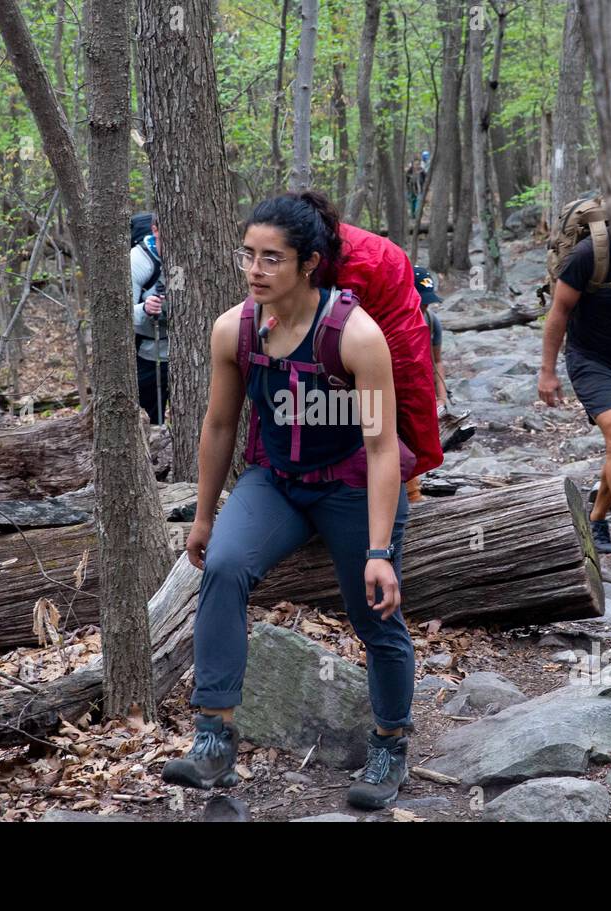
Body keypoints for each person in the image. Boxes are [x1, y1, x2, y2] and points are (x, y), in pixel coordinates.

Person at [161, 191, 415, 811]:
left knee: (374, 613)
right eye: (248, 255)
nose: (254, 270)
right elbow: (219, 427)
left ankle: (389, 745)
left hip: (352, 480)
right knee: (222, 565)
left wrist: (379, 549)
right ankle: (214, 738)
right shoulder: (235, 328)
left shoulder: (356, 336)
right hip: (275, 480)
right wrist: (203, 513)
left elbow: (383, 448)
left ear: (309, 263)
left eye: (271, 258)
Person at [537, 227, 611, 566]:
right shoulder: (588, 255)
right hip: (592, 362)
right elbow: (559, 313)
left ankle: (595, 521)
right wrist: (548, 371)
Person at [405, 266, 449, 503]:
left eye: (427, 303)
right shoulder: (390, 320)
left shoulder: (432, 322)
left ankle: (414, 493)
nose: (423, 308)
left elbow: (437, 361)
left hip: (422, 392)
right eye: (420, 302)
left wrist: (441, 398)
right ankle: (411, 495)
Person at [130, 213, 169, 423]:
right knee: (150, 421)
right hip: (148, 357)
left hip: (182, 356)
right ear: (155, 230)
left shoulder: (181, 258)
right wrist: (145, 308)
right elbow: (121, 313)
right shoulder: (137, 261)